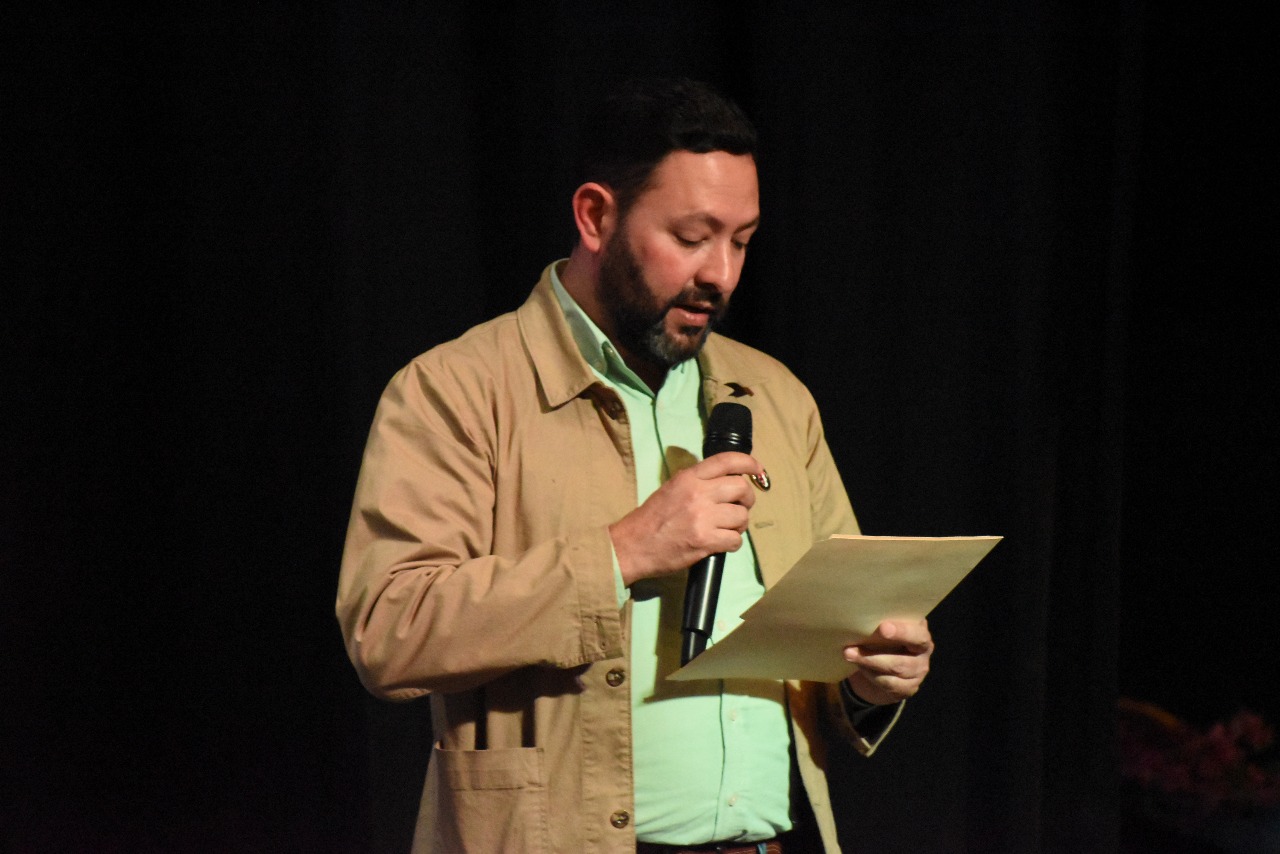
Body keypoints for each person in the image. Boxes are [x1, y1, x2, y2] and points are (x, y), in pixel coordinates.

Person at [336, 77, 934, 854]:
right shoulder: (458, 391)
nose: (722, 273)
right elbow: (389, 628)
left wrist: (868, 679)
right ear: (595, 216)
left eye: (742, 241)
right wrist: (622, 553)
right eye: (691, 237)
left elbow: (833, 642)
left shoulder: (777, 397)